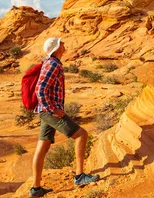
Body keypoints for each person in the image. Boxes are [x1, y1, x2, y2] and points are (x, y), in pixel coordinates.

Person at [29, 37, 100, 197]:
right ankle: (80, 176)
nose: (64, 45)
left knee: (43, 146)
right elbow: (40, 89)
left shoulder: (49, 62)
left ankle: (36, 189)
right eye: (61, 43)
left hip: (45, 111)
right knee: (81, 135)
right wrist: (52, 109)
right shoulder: (53, 64)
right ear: (56, 48)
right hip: (49, 111)